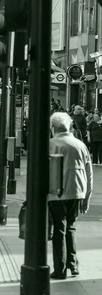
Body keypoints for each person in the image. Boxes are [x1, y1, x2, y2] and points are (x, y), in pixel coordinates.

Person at [48, 112, 93, 279]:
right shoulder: (80, 145)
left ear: (53, 128)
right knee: (71, 227)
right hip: (77, 192)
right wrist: (87, 196)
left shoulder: (51, 144)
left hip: (57, 193)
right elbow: (89, 173)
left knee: (59, 230)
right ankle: (73, 265)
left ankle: (59, 269)